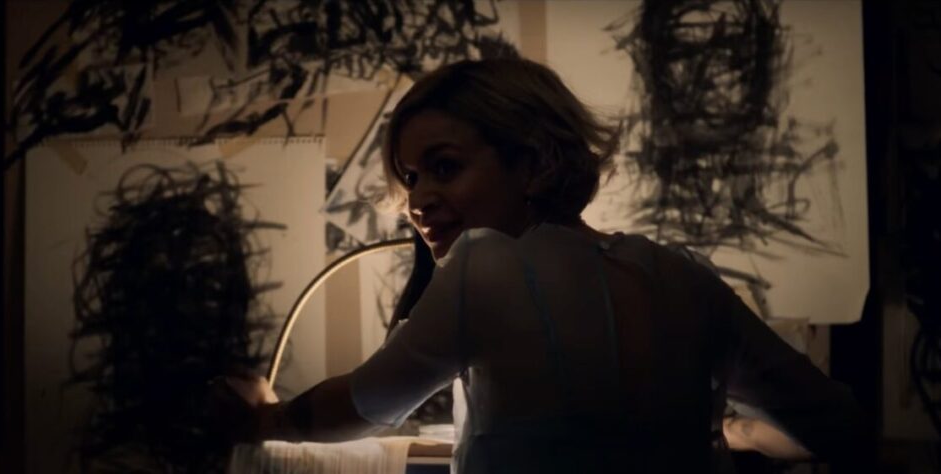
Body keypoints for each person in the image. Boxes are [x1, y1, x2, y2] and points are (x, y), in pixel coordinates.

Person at [216, 58, 869, 472]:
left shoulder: (485, 271)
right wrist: (727, 430)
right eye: (411, 177)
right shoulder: (684, 277)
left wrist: (267, 418)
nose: (417, 201)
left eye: (445, 167)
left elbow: (366, 404)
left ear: (531, 162)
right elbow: (834, 423)